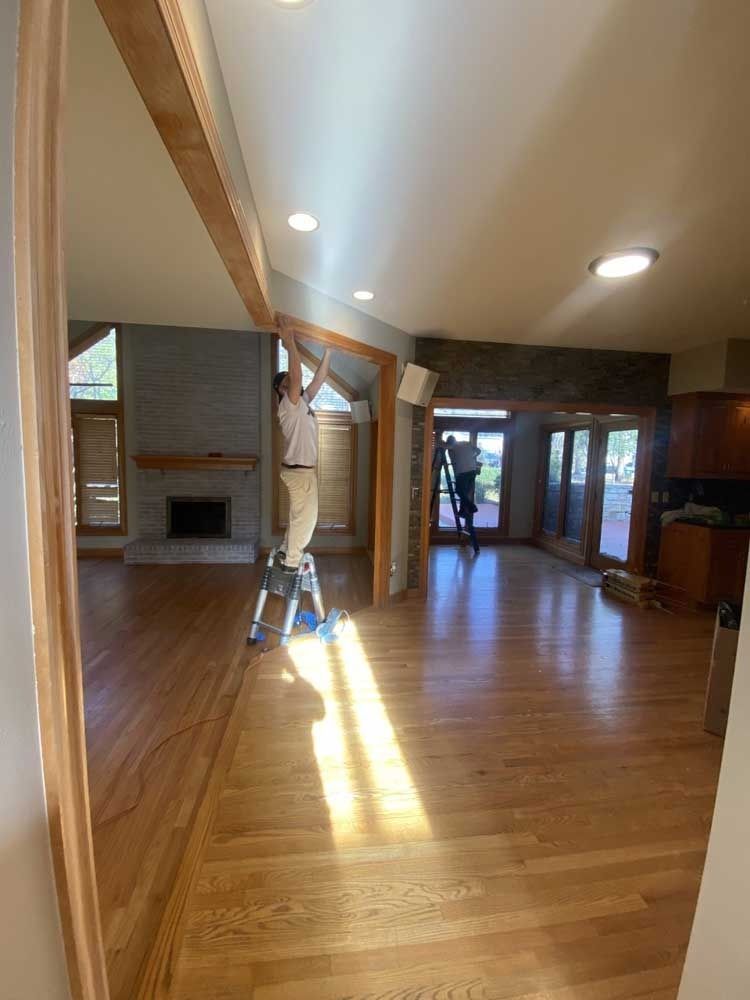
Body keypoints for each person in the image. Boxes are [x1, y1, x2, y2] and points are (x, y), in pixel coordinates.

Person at [273, 319, 332, 572]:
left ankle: (287, 551)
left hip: (301, 471)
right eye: (285, 382)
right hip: (299, 472)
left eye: (290, 381)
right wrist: (289, 342)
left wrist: (329, 350)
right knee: (305, 521)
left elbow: (318, 380)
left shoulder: (301, 403)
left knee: (299, 519)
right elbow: (297, 376)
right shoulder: (288, 405)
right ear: (280, 389)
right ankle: (292, 562)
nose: (291, 383)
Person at [446, 435, 481, 517]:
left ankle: (472, 507)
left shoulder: (452, 447)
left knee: (459, 490)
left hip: (463, 472)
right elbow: (479, 451)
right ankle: (462, 511)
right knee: (464, 492)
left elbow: (453, 460)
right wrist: (473, 457)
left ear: (449, 442)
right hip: (473, 470)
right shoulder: (466, 443)